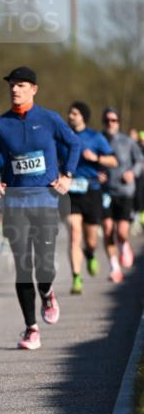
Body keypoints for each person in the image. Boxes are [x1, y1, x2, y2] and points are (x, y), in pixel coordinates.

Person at [0, 67, 80, 351]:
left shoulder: (49, 119)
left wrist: (68, 176)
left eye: (21, 85)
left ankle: (47, 292)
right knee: (23, 266)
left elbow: (73, 144)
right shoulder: (0, 125)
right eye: (12, 85)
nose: (15, 90)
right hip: (15, 204)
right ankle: (31, 328)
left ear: (33, 89)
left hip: (46, 202)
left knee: (44, 265)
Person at [64, 102, 116, 294]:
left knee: (91, 239)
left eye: (74, 113)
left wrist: (96, 159)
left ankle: (91, 253)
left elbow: (113, 160)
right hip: (70, 192)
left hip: (92, 191)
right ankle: (76, 278)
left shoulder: (95, 137)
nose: (70, 115)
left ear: (83, 116)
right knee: (74, 232)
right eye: (70, 112)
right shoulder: (64, 137)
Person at [100, 107, 142, 283]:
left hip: (125, 191)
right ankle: (114, 267)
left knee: (122, 232)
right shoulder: (98, 140)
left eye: (114, 120)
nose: (111, 123)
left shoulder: (127, 141)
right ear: (104, 122)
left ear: (118, 122)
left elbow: (140, 160)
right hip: (105, 193)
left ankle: (124, 245)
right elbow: (89, 161)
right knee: (108, 230)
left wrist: (133, 172)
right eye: (108, 120)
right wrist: (96, 174)